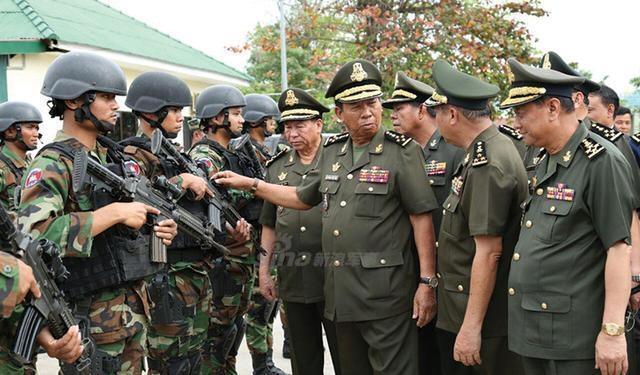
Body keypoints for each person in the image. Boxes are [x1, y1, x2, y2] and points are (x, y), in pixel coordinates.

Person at [214, 59, 439, 375]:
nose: (367, 112)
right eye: (356, 106)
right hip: (340, 295)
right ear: (339, 114)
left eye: (372, 102)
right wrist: (252, 184)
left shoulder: (401, 152)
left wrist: (427, 282)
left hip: (386, 296)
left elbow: (421, 219)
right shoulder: (333, 154)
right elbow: (301, 198)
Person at [17, 51, 177, 374]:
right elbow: (33, 238)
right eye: (106, 97)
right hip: (90, 324)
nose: (116, 106)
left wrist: (159, 229)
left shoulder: (112, 157)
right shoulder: (52, 163)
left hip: (132, 316)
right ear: (76, 101)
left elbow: (138, 220)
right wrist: (115, 213)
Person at [503, 57, 634, 375]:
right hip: (535, 329)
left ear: (552, 108)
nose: (517, 123)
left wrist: (613, 332)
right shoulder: (545, 159)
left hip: (573, 338)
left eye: (522, 113)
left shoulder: (601, 162)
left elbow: (619, 249)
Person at [424, 59, 527, 375]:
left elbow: (489, 251)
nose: (436, 122)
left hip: (484, 321)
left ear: (452, 115)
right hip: (467, 309)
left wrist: (470, 328)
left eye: (437, 113)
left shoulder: (488, 163)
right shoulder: (480, 152)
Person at [119, 71, 224, 374]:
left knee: (194, 354)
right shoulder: (132, 155)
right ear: (152, 113)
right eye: (175, 111)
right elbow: (136, 198)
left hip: (193, 270)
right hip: (166, 272)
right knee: (170, 359)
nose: (181, 118)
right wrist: (181, 181)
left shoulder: (172, 153)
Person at [384, 71, 464, 375]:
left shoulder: (453, 150)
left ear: (421, 109)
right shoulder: (404, 153)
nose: (392, 116)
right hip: (410, 270)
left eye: (399, 107)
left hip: (447, 272)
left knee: (447, 355)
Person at [259, 87, 341, 375]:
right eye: (287, 127)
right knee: (303, 359)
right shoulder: (277, 168)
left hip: (335, 277)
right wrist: (264, 271)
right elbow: (269, 223)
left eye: (300, 125)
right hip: (294, 279)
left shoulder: (339, 160)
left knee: (345, 355)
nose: (292, 133)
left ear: (319, 124)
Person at [188, 84, 260, 374]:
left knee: (232, 331)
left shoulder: (232, 152)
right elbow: (203, 199)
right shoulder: (205, 156)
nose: (242, 120)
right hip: (223, 261)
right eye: (236, 114)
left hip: (240, 258)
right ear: (218, 118)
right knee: (216, 337)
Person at [240, 93, 286, 375]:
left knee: (269, 306)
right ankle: (261, 364)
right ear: (257, 121)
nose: (273, 124)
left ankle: (266, 361)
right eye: (269, 119)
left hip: (272, 238)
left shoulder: (263, 151)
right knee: (259, 308)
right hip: (257, 240)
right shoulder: (246, 152)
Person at [0, 102, 41, 214]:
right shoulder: (2, 168)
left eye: (37, 128)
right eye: (30, 127)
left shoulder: (31, 163)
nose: (36, 133)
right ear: (10, 131)